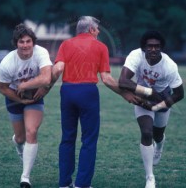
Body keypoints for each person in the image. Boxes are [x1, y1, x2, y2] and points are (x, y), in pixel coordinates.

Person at [50, 16, 137, 188]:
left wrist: (45, 84)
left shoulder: (65, 44)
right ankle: (81, 184)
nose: (98, 32)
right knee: (88, 140)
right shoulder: (101, 47)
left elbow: (58, 68)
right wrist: (124, 93)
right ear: (91, 29)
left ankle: (64, 183)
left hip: (67, 91)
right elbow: (107, 79)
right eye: (97, 29)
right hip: (88, 92)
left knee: (67, 138)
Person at [118, 30, 184, 188]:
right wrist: (149, 93)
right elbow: (123, 81)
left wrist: (158, 104)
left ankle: (159, 146)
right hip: (143, 96)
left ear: (161, 48)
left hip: (163, 98)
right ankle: (150, 177)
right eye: (150, 46)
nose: (153, 49)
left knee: (158, 134)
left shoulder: (169, 66)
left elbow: (179, 94)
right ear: (143, 48)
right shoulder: (136, 55)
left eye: (157, 46)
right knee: (146, 133)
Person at [0, 23, 52, 188]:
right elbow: (2, 88)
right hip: (14, 97)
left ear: (33, 42)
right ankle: (18, 143)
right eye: (21, 42)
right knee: (20, 138)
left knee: (31, 132)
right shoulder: (8, 62)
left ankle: (25, 177)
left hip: (35, 96)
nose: (25, 45)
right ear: (16, 44)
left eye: (28, 41)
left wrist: (26, 87)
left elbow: (47, 77)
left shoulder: (41, 52)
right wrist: (20, 99)